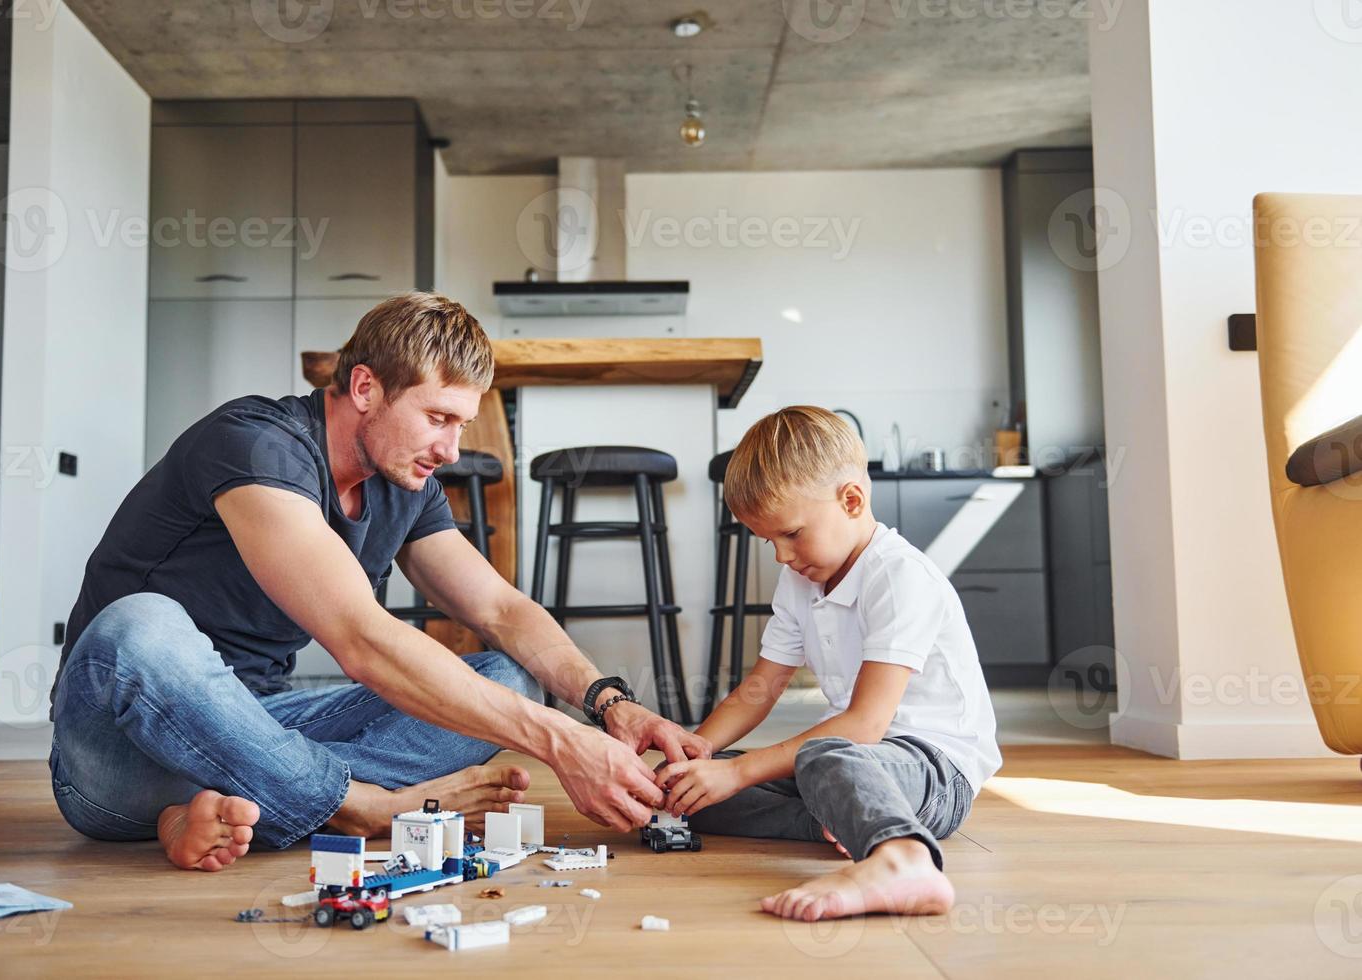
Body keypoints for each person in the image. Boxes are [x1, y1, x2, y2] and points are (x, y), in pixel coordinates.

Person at [48, 292, 708, 872]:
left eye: (462, 425)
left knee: (510, 680)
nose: (452, 450)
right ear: (365, 389)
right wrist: (562, 742)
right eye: (439, 418)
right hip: (118, 754)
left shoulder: (404, 486)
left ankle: (219, 811)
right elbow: (361, 642)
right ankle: (363, 808)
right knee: (142, 626)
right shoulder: (255, 446)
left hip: (258, 730)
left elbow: (501, 609)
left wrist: (607, 702)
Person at [655, 406, 1001, 921]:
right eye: (768, 541)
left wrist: (743, 773)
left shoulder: (899, 575)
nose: (781, 556)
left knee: (821, 756)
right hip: (853, 756)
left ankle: (901, 858)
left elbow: (865, 725)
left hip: (934, 771)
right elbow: (759, 688)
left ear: (852, 500)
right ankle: (838, 817)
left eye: (791, 534)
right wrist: (698, 755)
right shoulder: (800, 582)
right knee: (702, 789)